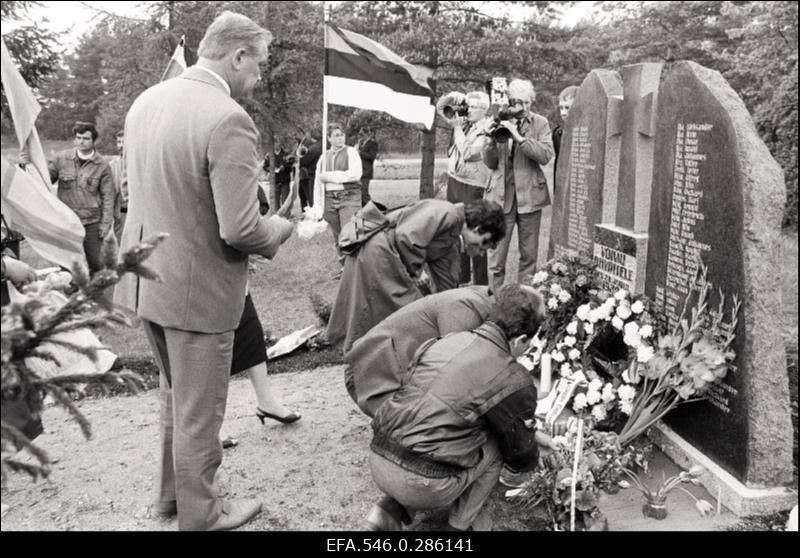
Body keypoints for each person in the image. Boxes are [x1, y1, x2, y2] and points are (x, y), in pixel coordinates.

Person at [115, 11, 294, 531]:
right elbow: (240, 230)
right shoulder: (228, 118)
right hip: (196, 292)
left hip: (146, 281)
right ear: (237, 57)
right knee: (200, 412)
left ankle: (170, 501)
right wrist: (280, 229)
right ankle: (203, 516)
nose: (257, 79)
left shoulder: (148, 100)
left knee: (176, 399)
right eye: (258, 67)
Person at [365, 283, 554, 531]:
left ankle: (387, 511)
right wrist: (531, 447)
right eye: (528, 343)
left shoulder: (444, 341)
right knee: (498, 445)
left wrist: (531, 431)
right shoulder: (513, 377)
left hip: (378, 458)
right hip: (424, 483)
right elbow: (519, 457)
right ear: (520, 340)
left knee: (421, 431)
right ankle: (456, 528)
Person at [326, 198, 505, 356]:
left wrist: (453, 307)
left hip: (390, 261)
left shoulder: (452, 237)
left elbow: (446, 284)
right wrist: (418, 272)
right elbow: (407, 237)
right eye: (483, 245)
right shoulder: (447, 213)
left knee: (404, 314)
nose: (480, 253)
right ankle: (361, 355)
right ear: (478, 228)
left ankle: (378, 354)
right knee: (399, 313)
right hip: (379, 255)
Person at [345, 286, 493, 418]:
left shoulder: (478, 299)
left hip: (381, 371)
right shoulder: (465, 306)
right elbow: (454, 369)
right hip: (365, 376)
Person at [483, 79, 554, 289]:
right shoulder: (497, 120)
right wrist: (490, 140)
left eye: (527, 103)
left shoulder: (540, 123)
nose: (522, 108)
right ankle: (493, 307)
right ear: (508, 102)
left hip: (530, 198)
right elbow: (490, 163)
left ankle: (525, 308)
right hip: (499, 198)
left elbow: (545, 155)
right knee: (496, 260)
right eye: (517, 103)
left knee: (529, 258)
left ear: (533, 101)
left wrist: (518, 136)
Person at [436, 90, 493, 286]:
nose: (470, 110)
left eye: (475, 107)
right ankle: (462, 279)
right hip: (455, 182)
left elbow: (469, 153)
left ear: (485, 110)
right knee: (457, 231)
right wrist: (453, 96)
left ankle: (480, 283)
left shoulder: (488, 128)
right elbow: (442, 108)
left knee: (475, 234)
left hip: (473, 185)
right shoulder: (463, 121)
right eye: (469, 106)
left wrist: (457, 130)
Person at [48, 121, 115, 273]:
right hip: (67, 221)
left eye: (85, 138)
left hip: (91, 223)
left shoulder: (102, 165)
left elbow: (108, 197)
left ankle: (95, 294)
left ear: (93, 141)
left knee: (96, 263)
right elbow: (44, 179)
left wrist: (105, 224)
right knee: (68, 263)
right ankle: (73, 292)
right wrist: (27, 164)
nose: (81, 141)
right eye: (78, 137)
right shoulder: (61, 159)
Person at [312, 122, 362, 260]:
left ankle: (355, 266)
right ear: (329, 138)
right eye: (336, 136)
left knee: (350, 233)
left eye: (342, 135)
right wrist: (317, 204)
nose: (340, 138)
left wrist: (330, 176)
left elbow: (355, 174)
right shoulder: (323, 157)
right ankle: (344, 266)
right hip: (329, 198)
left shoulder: (351, 152)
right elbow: (318, 182)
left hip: (349, 196)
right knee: (338, 235)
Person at [551, 85, 578, 189]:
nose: (563, 113)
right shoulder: (558, 134)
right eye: (561, 108)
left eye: (567, 108)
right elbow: (558, 166)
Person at [107, 130, 128, 242]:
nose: (121, 145)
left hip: (137, 215)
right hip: (120, 215)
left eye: (123, 142)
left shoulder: (139, 163)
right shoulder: (112, 166)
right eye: (119, 142)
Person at [298, 130, 323, 210]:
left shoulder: (312, 149)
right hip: (324, 174)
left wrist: (300, 159)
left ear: (312, 138)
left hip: (313, 175)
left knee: (314, 197)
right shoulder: (327, 145)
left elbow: (304, 161)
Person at [265, 144, 291, 214]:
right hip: (274, 180)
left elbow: (291, 167)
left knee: (285, 200)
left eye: (278, 143)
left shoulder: (286, 154)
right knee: (275, 200)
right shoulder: (269, 155)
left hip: (284, 180)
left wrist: (284, 167)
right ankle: (277, 216)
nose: (277, 145)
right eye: (275, 143)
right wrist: (270, 169)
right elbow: (265, 166)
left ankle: (286, 215)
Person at [356, 127, 379, 206]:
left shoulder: (372, 144)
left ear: (366, 134)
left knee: (364, 193)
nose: (360, 136)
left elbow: (372, 156)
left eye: (362, 134)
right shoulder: (361, 143)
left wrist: (360, 153)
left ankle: (372, 210)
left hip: (366, 171)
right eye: (359, 135)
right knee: (360, 193)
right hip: (359, 171)